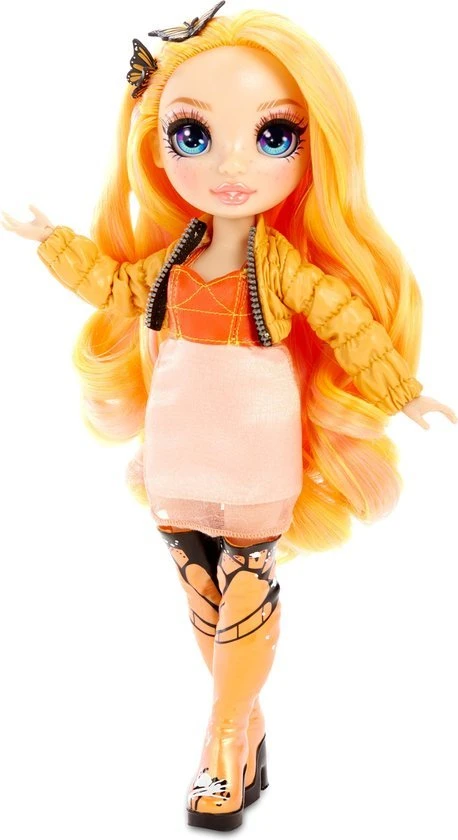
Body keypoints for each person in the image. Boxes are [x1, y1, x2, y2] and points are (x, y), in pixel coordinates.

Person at [2, 4, 456, 831]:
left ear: (314, 148)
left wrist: (402, 390)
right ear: (157, 144)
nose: (232, 164)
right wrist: (50, 240)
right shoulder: (171, 261)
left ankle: (220, 745)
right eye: (194, 135)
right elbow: (114, 286)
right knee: (205, 604)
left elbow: (344, 319)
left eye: (274, 136)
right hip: (176, 453)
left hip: (255, 456)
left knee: (245, 592)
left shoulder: (279, 268)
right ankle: (246, 737)